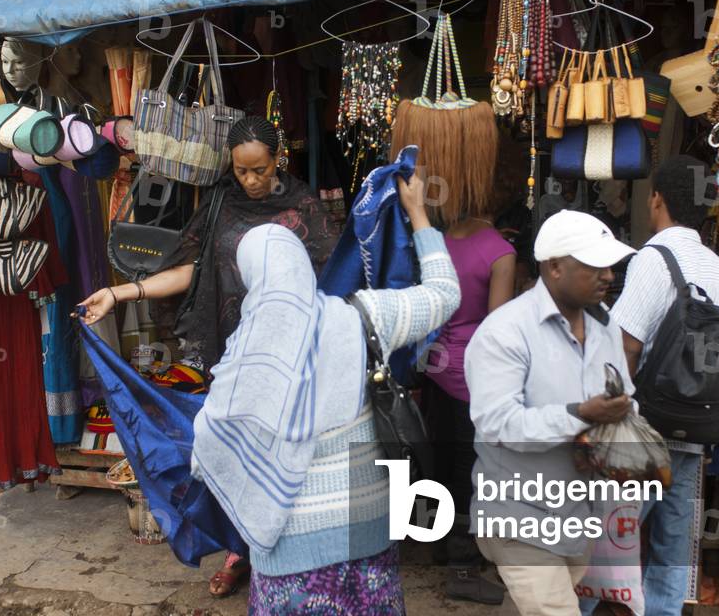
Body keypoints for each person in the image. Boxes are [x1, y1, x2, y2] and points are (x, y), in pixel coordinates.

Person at [78, 115, 338, 597]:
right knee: (236, 455)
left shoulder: (302, 204)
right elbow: (189, 272)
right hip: (233, 354)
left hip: (288, 358)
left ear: (277, 159)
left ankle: (290, 556)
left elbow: (331, 281)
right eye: (242, 171)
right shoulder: (221, 203)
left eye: (260, 169)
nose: (252, 180)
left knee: (287, 457)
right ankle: (241, 550)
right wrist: (121, 292)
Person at [190, 173, 458, 614]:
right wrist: (418, 214)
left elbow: (206, 450)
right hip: (368, 532)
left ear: (250, 275)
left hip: (286, 555)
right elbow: (445, 295)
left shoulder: (240, 358)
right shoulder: (364, 317)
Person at [465, 210, 637, 616]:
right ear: (555, 267)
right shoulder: (505, 332)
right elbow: (499, 424)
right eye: (596, 265)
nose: (609, 275)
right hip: (519, 516)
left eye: (610, 265)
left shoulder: (605, 326)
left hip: (578, 512)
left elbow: (625, 396)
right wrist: (580, 413)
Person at [596, 154, 719, 616]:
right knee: (675, 533)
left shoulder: (653, 260)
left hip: (645, 424)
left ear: (656, 200)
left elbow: (625, 347)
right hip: (696, 425)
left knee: (614, 531)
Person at [423, 212, 515, 604]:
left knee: (436, 455)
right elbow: (497, 327)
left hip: (433, 364)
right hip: (469, 375)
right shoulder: (501, 252)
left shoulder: (439, 239)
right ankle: (463, 567)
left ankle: (437, 545)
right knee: (470, 469)